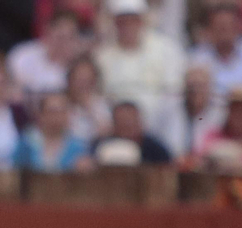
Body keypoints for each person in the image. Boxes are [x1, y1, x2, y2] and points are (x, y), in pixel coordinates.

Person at [94, 0, 183, 134]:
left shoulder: (166, 49)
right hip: (115, 127)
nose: (128, 26)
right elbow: (100, 98)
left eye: (133, 20)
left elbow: (174, 92)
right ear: (115, 23)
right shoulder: (102, 57)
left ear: (142, 21)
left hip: (159, 126)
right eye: (122, 21)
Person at [191, 3, 242, 99]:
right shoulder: (196, 57)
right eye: (220, 27)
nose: (225, 32)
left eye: (229, 26)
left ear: (238, 27)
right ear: (210, 29)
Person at [8, 8, 83, 96]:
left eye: (69, 38)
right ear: (48, 31)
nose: (63, 44)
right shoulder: (23, 55)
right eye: (60, 37)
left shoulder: (76, 71)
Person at [13, 89, 91, 171]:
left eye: (61, 112)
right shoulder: (27, 142)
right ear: (41, 115)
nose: (57, 117)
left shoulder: (78, 147)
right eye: (52, 111)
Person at [91, 98, 171, 164]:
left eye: (131, 122)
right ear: (114, 125)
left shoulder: (155, 149)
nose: (127, 126)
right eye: (122, 122)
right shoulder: (101, 146)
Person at [64, 53, 109, 143]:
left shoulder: (101, 104)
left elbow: (106, 133)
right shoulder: (61, 103)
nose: (83, 85)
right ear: (70, 80)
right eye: (79, 80)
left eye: (87, 80)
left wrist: (89, 108)